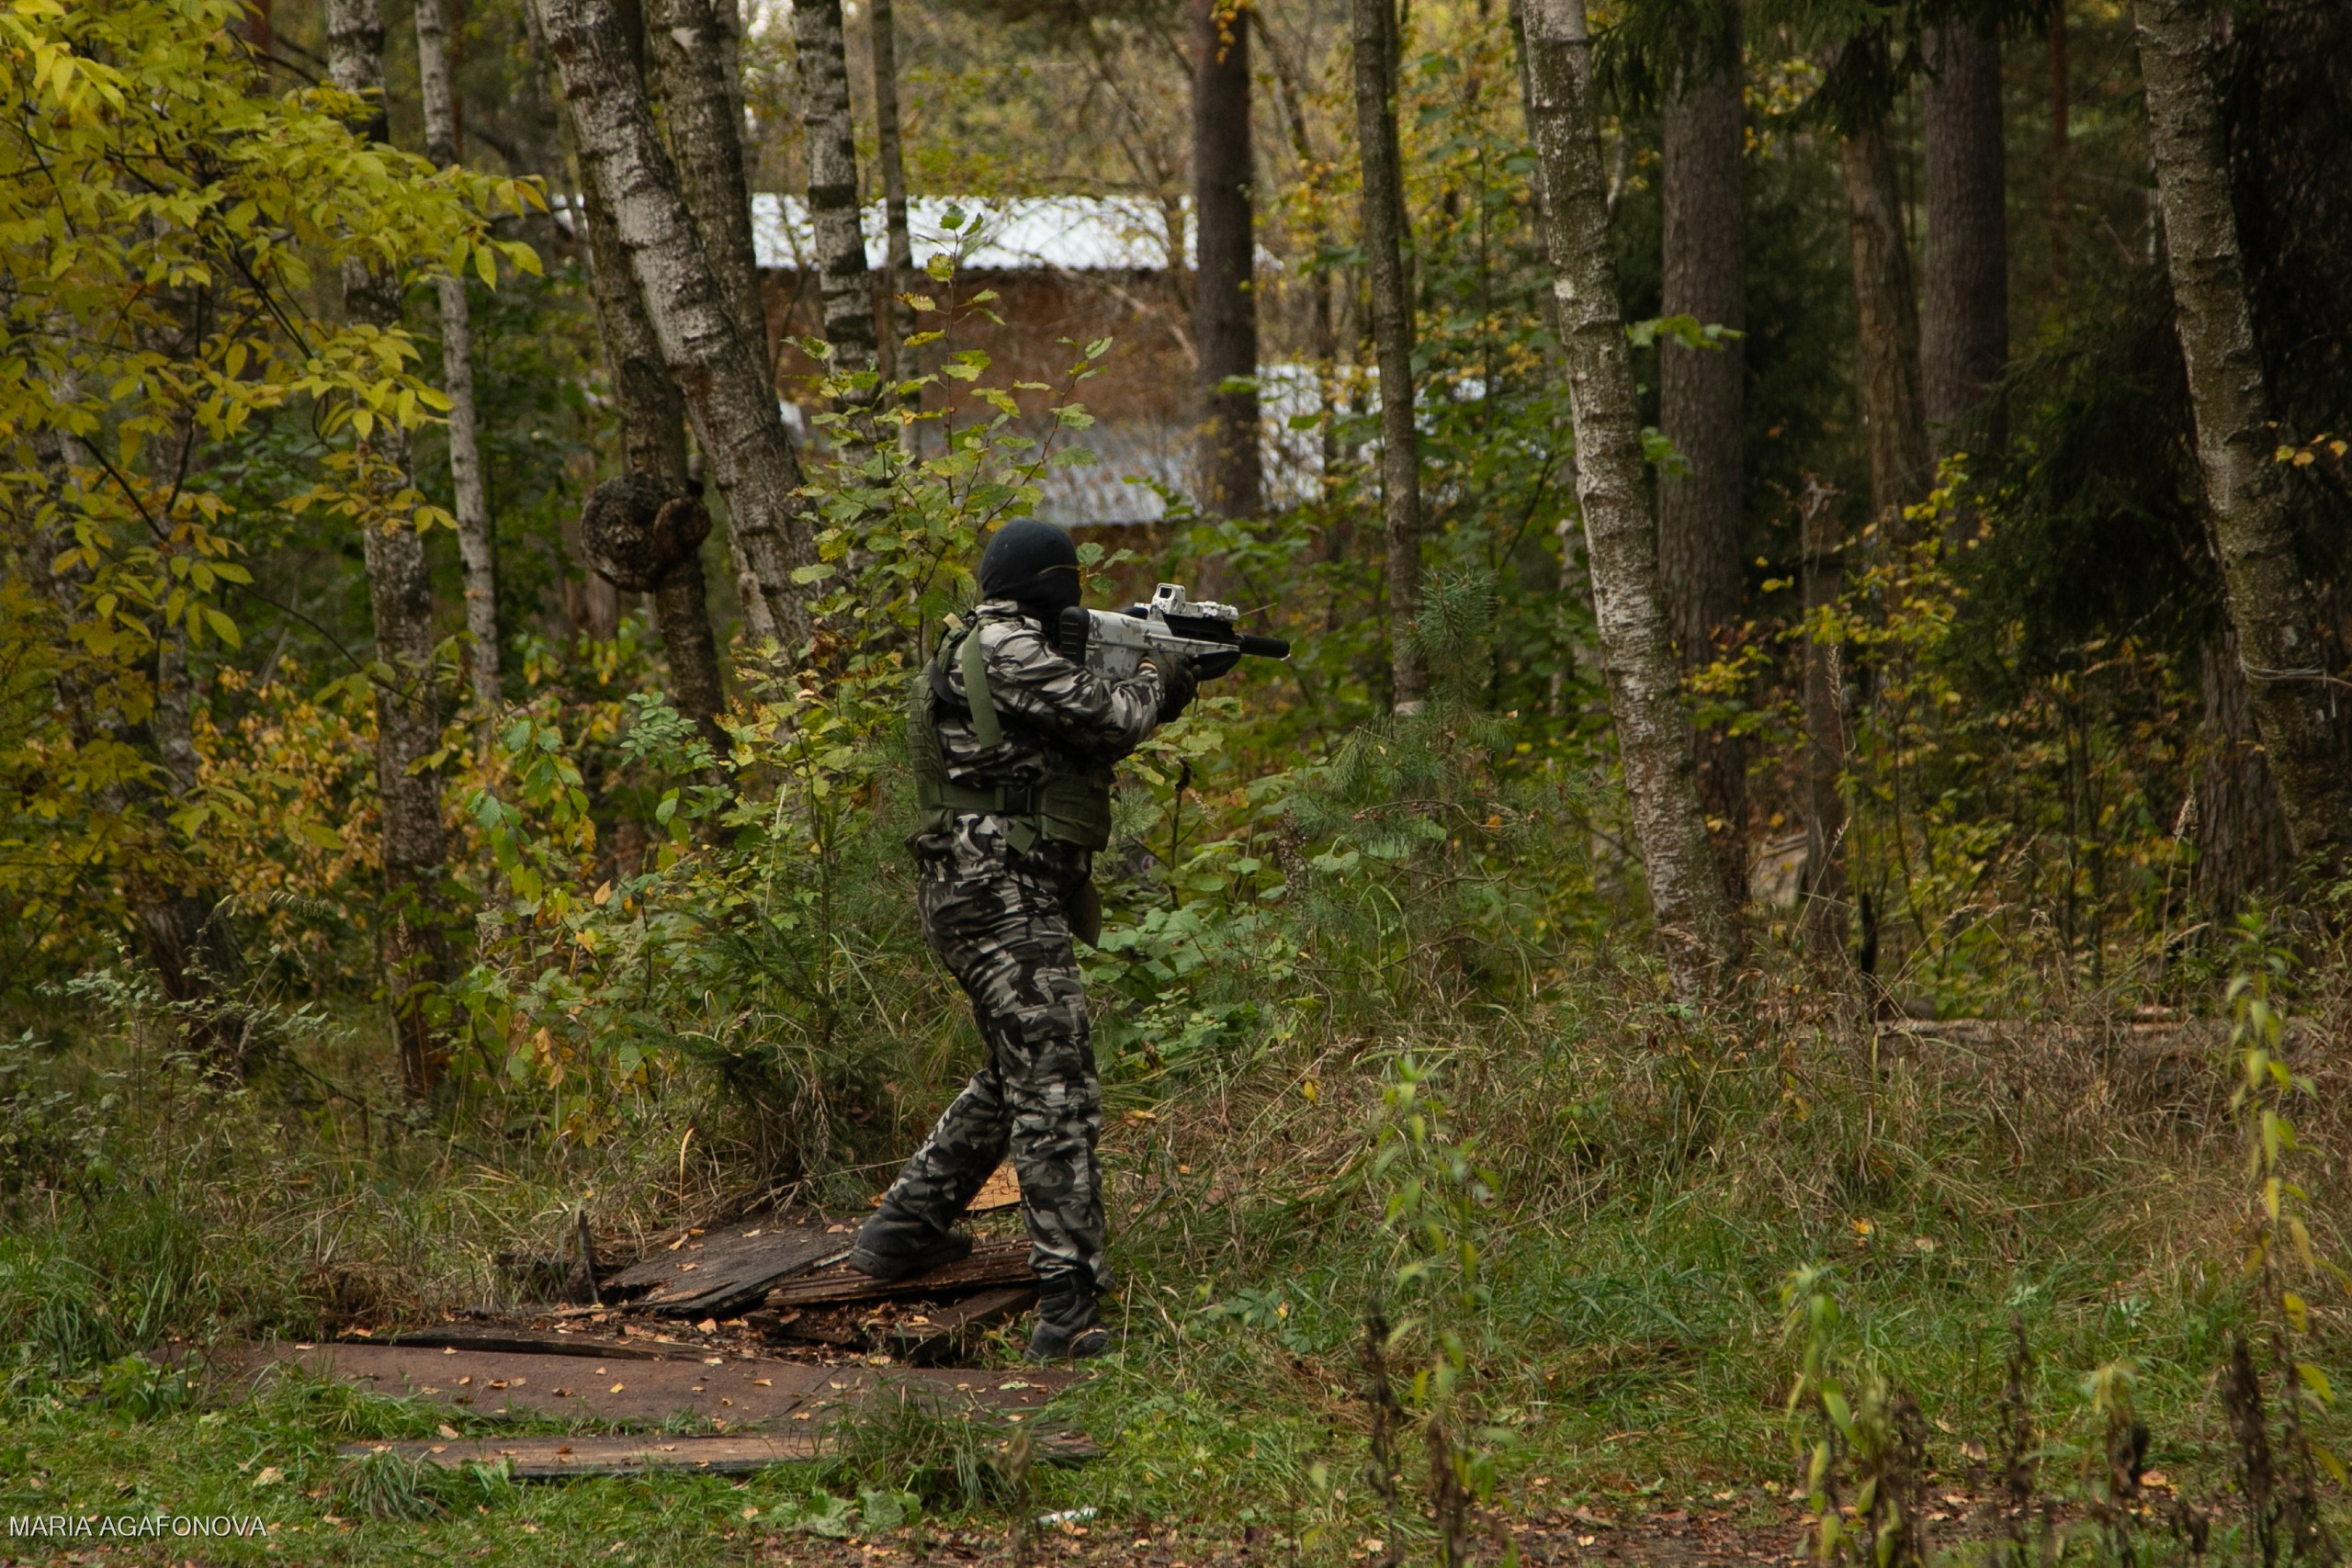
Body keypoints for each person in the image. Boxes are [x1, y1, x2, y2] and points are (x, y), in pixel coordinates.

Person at [847, 519, 1197, 1360]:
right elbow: (1111, 720)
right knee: (1058, 1088)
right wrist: (1165, 676)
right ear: (1051, 581)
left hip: (991, 891)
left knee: (1018, 1073)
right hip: (994, 890)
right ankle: (1068, 1313)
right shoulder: (1005, 646)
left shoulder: (1005, 638)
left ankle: (907, 1226)